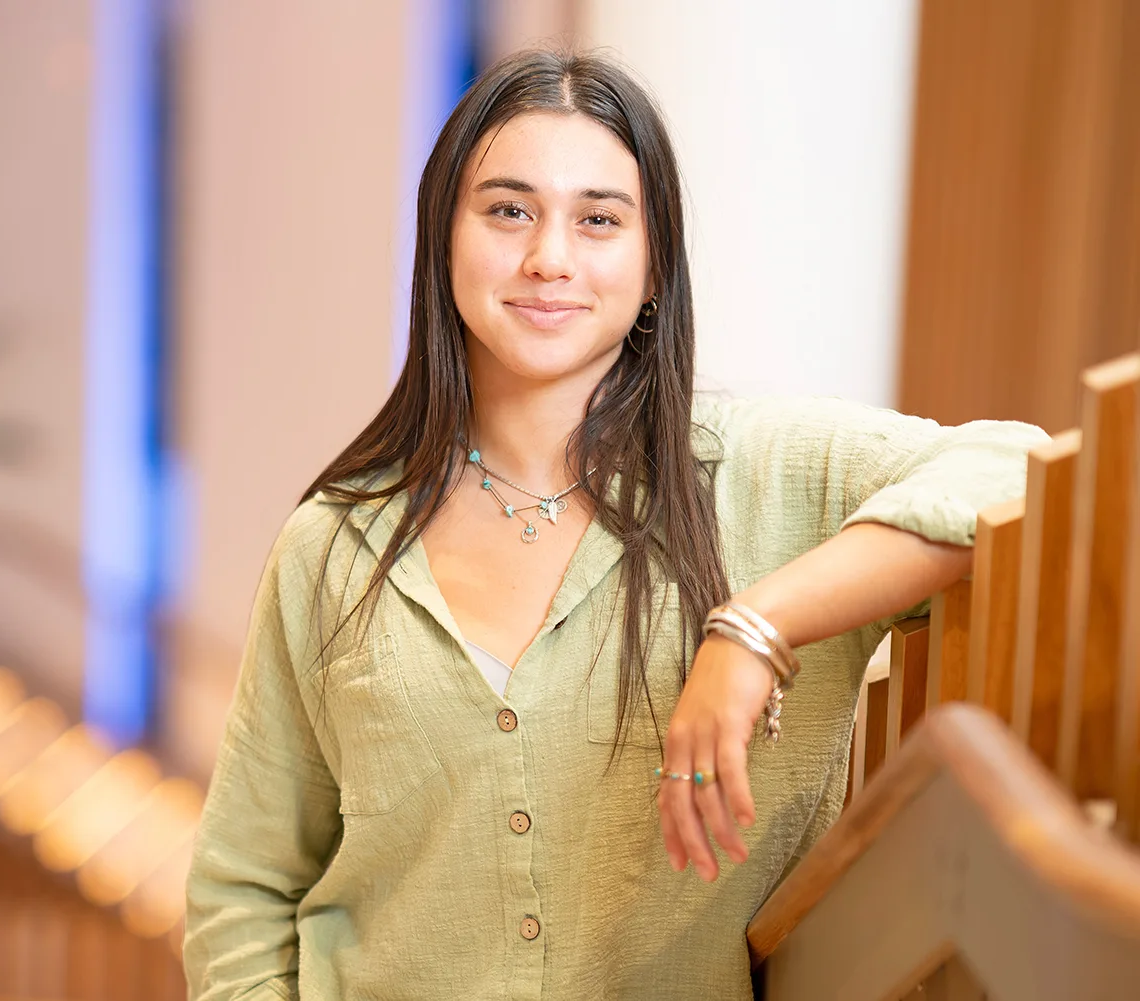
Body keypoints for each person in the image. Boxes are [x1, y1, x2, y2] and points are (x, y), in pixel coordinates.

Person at [182, 47, 1048, 1001]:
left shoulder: (760, 474)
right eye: (508, 210)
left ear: (650, 268)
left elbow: (1017, 467)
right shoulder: (333, 545)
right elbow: (245, 893)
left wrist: (754, 628)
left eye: (599, 219)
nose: (549, 256)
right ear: (444, 240)